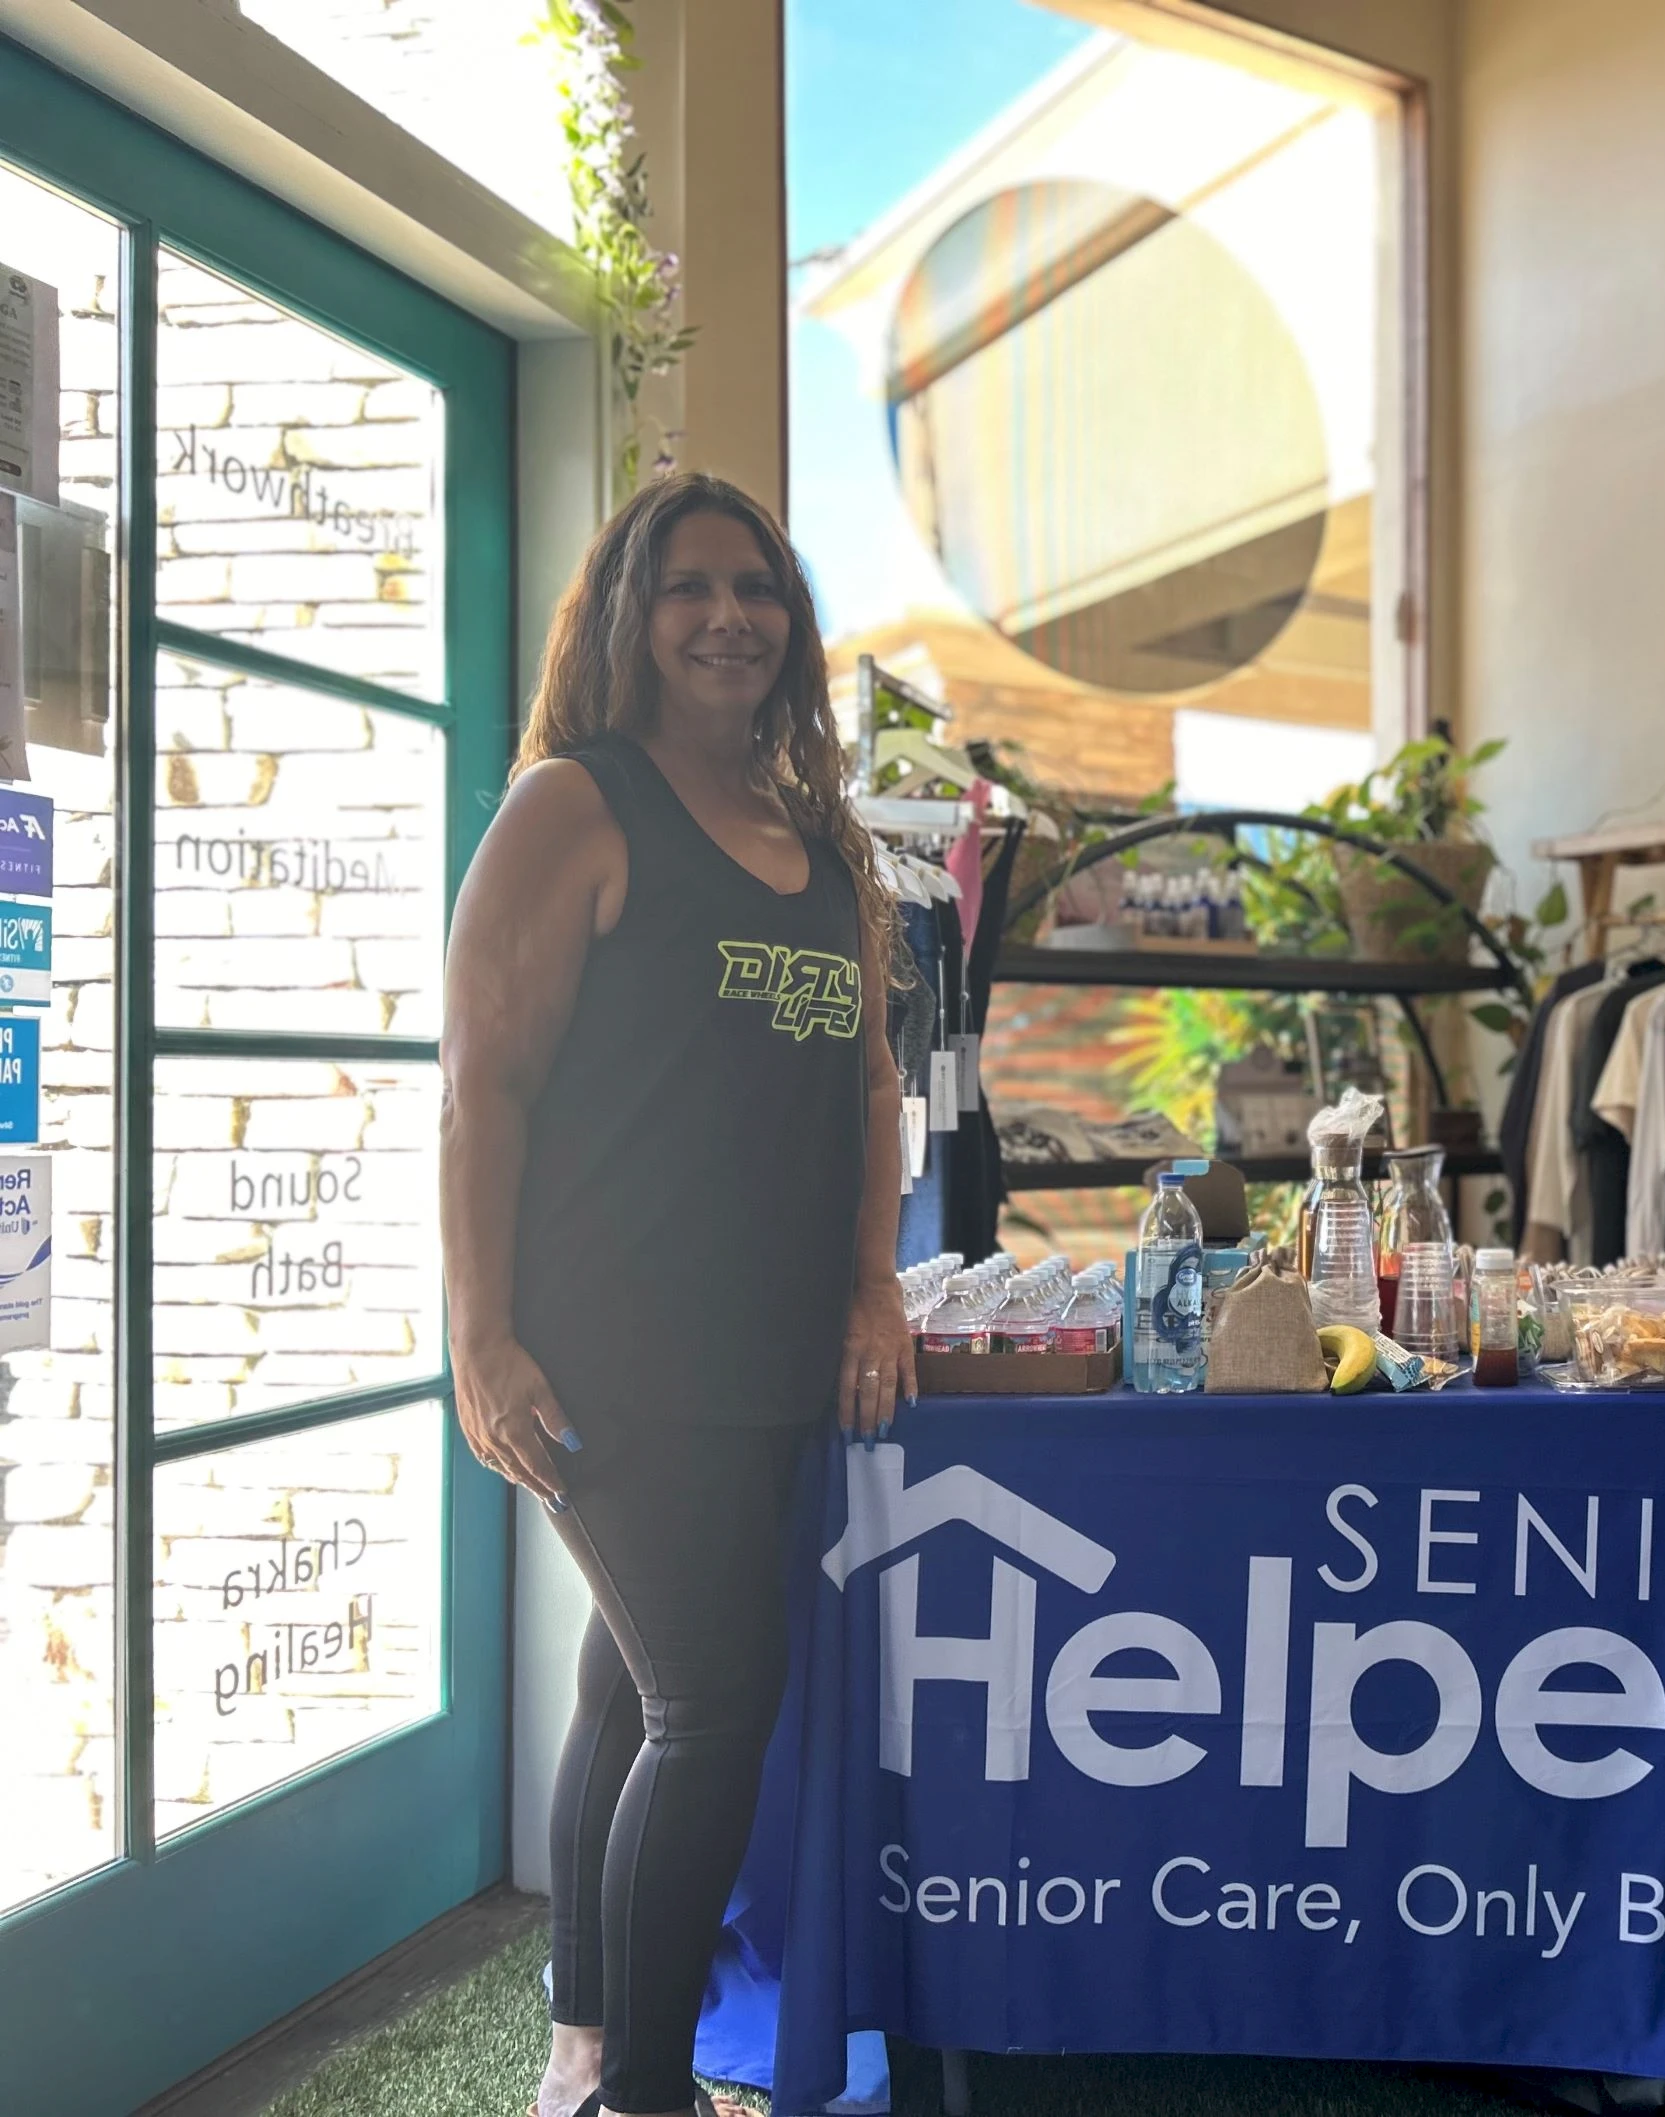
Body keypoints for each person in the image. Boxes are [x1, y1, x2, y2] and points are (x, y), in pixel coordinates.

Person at [441, 473, 915, 2117]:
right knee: (717, 1700)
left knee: (632, 1683)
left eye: (760, 591)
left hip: (771, 1343)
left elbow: (865, 1088)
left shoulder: (818, 847)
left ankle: (582, 2043)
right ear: (629, 617)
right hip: (612, 1349)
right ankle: (637, 2088)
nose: (731, 617)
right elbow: (480, 1085)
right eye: (691, 587)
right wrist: (480, 1331)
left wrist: (871, 1289)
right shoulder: (577, 804)